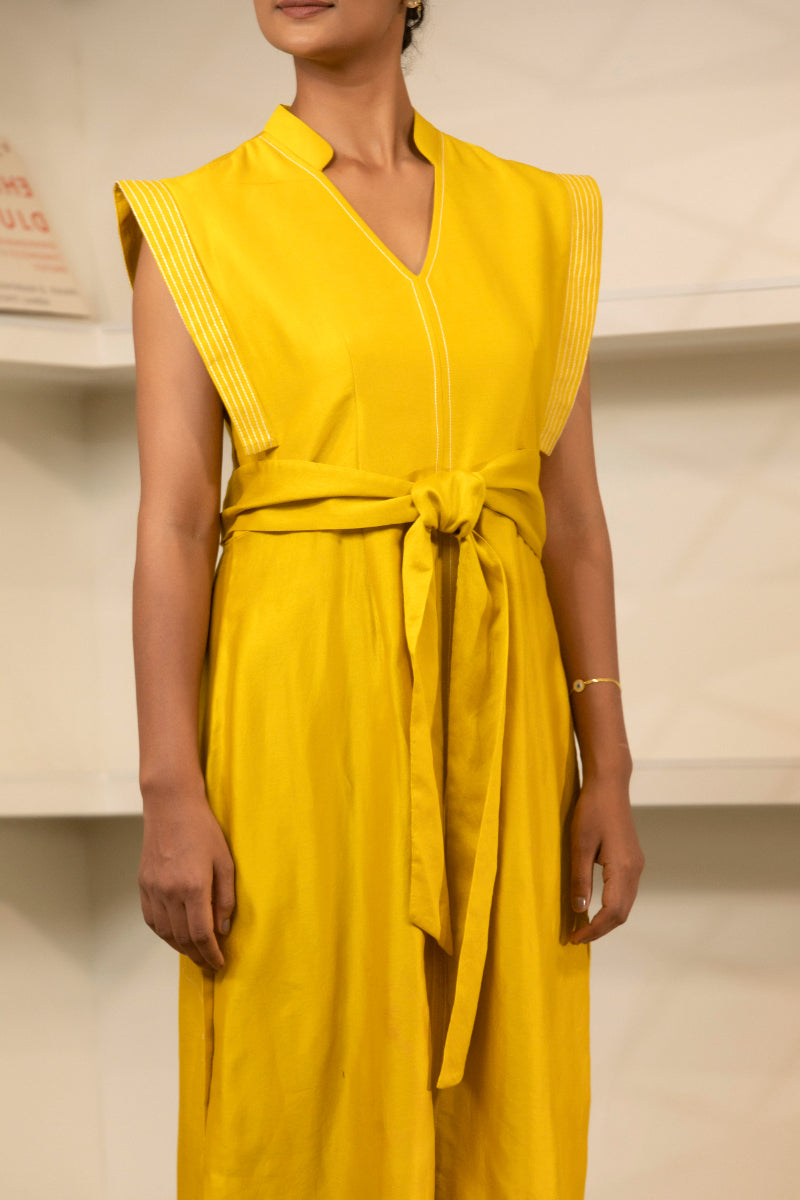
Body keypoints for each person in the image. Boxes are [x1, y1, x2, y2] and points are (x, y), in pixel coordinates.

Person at [113, 1, 645, 1196]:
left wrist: (605, 765)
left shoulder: (539, 215)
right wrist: (168, 789)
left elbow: (568, 519)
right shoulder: (194, 218)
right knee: (297, 1068)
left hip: (503, 724)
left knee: (505, 1090)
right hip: (297, 714)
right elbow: (175, 523)